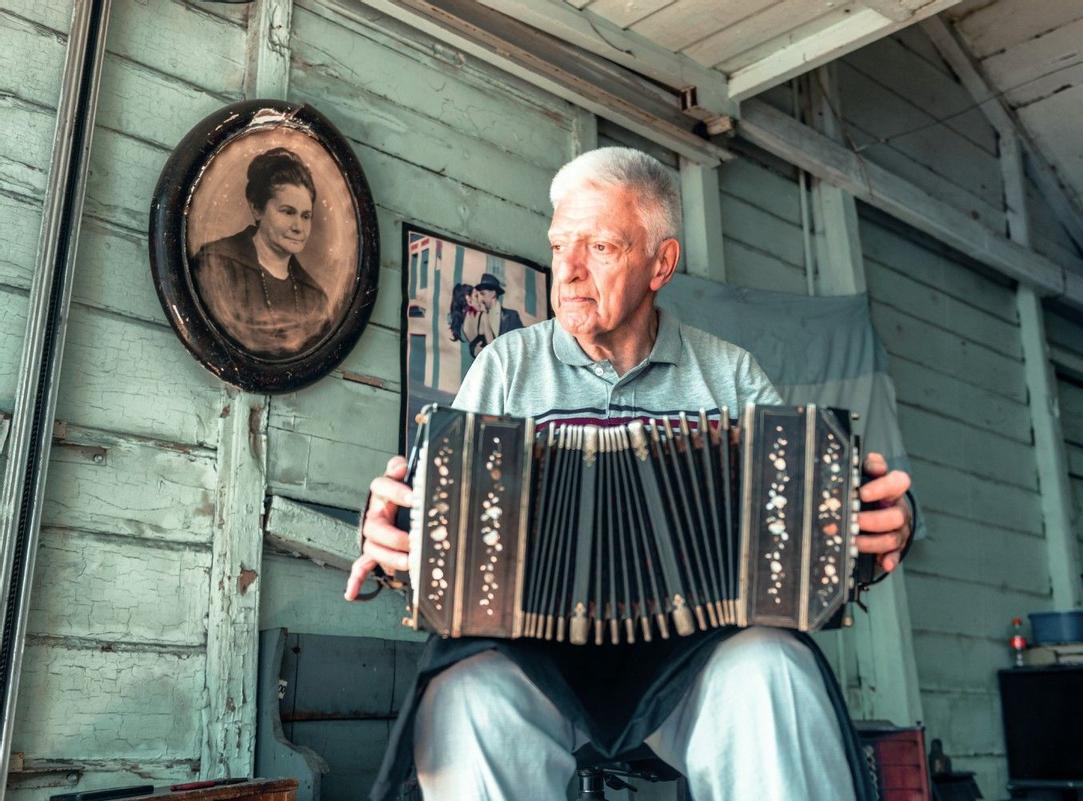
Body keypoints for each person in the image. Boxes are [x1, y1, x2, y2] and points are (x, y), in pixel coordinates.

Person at [346, 147, 915, 801]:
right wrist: (397, 532)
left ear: (661, 264)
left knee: (774, 671)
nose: (569, 271)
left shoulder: (729, 375)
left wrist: (881, 522)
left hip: (695, 660)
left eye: (602, 247)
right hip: (535, 656)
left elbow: (804, 521)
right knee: (465, 695)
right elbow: (444, 531)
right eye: (561, 244)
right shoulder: (503, 368)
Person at [191, 146, 331, 358]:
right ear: (257, 208)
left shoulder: (315, 298)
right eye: (287, 212)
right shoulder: (217, 264)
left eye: (305, 216)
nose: (298, 227)